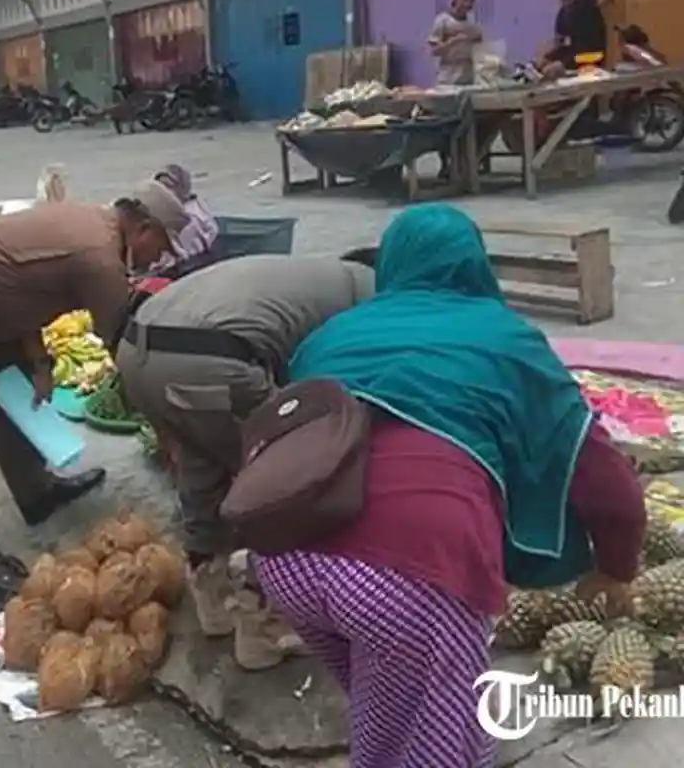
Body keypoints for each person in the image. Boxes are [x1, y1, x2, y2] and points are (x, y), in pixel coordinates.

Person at [245, 204, 646, 766]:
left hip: (285, 557)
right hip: (410, 572)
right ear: (474, 266)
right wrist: (616, 566)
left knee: (390, 706)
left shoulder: (333, 332)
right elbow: (602, 474)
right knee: (433, 741)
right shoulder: (504, 337)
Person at [0, 182, 185, 616]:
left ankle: (36, 491)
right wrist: (170, 434)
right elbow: (128, 355)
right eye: (162, 245)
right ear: (142, 226)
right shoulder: (100, 257)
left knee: (16, 389)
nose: (160, 258)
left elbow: (18, 287)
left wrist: (41, 365)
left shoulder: (89, 221)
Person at [115, 253, 373, 669]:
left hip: (133, 349)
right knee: (282, 485)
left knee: (201, 463)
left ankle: (212, 597)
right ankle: (263, 626)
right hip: (206, 363)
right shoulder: (368, 299)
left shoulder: (317, 276)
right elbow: (330, 388)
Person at [147, 164, 219, 278]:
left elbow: (170, 259)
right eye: (160, 187)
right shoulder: (194, 205)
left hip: (187, 268)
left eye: (167, 186)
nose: (163, 191)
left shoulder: (187, 219)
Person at [539, 0, 618, 78]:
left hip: (592, 61)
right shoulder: (562, 14)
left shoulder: (587, 5)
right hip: (572, 64)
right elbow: (563, 44)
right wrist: (548, 57)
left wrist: (563, 64)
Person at [428, 0, 481, 87]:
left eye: (472, 0)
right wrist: (452, 42)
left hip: (468, 79)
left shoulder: (473, 24)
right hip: (447, 79)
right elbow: (434, 51)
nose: (468, 4)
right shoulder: (443, 21)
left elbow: (480, 48)